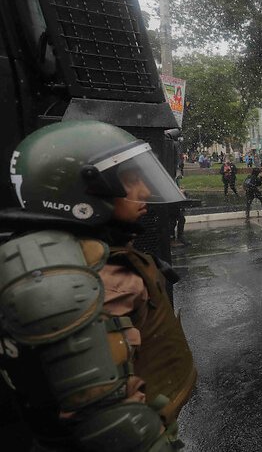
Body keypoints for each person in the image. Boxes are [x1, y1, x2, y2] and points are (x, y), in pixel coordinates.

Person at [0, 120, 196, 450]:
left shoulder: (55, 257)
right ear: (81, 191)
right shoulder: (85, 284)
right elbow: (112, 425)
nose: (144, 190)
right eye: (130, 179)